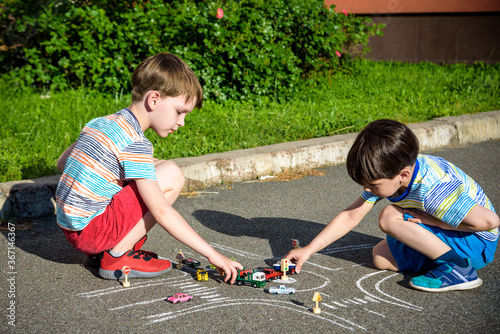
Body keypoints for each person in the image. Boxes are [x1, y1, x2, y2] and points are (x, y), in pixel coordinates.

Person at [56, 52, 243, 282]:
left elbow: (62, 162)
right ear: (153, 99)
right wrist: (214, 256)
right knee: (172, 174)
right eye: (179, 112)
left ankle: (103, 253)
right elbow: (162, 211)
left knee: (158, 167)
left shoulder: (101, 123)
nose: (181, 122)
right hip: (94, 233)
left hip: (72, 229)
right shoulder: (135, 142)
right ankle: (117, 255)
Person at [285, 119, 499, 292]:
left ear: (402, 175)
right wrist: (308, 250)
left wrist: (433, 221)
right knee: (381, 256)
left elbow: (490, 222)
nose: (367, 189)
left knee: (389, 216)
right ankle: (442, 258)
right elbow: (351, 216)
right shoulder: (393, 171)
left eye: (372, 184)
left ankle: (458, 268)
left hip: (477, 243)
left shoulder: (433, 189)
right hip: (458, 237)